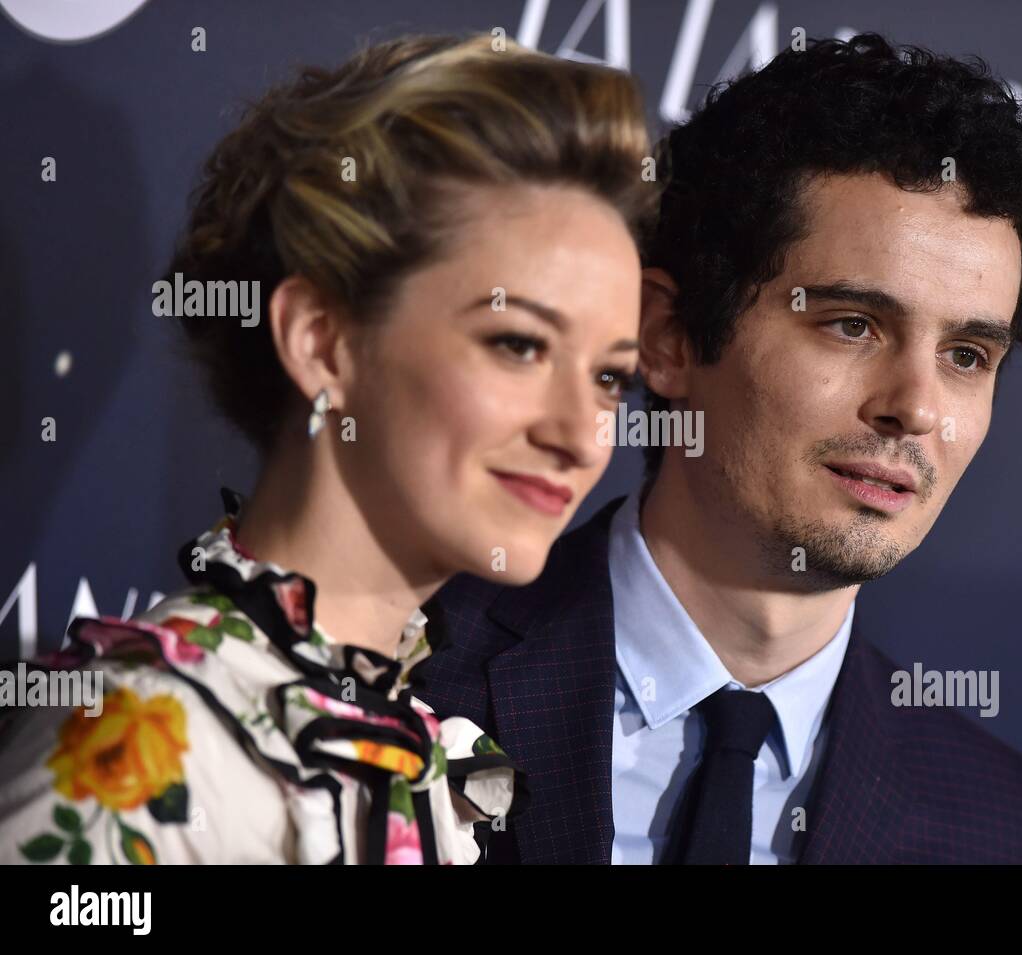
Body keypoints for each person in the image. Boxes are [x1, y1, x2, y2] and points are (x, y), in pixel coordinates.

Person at [0, 33, 658, 864]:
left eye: (610, 380)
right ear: (321, 341)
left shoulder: (417, 749)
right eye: (519, 345)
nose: (579, 434)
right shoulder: (137, 762)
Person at [417, 33, 1022, 864]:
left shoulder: (997, 819)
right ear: (669, 338)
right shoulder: (411, 672)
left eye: (966, 356)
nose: (915, 407)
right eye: (852, 325)